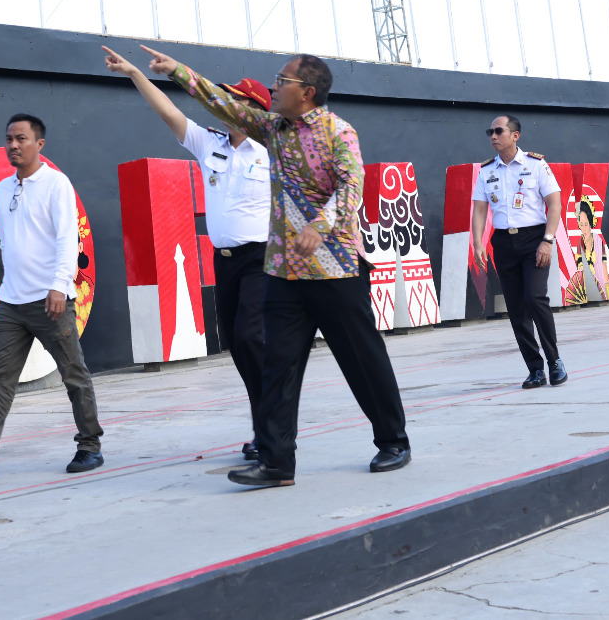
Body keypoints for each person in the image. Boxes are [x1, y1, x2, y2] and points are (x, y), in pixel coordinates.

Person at [139, 46, 410, 488]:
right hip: (283, 272)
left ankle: (393, 441)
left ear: (306, 92)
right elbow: (220, 103)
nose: (273, 87)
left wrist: (319, 225)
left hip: (335, 269)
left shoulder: (338, 133)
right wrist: (176, 71)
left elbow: (351, 187)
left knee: (361, 359)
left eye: (281, 81)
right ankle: (277, 461)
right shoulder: (272, 129)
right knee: (277, 367)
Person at [103, 45, 272, 465]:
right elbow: (168, 113)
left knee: (252, 337)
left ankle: (273, 428)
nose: (225, 105)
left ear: (253, 110)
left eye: (235, 99)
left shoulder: (273, 151)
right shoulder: (209, 143)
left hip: (263, 260)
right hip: (225, 261)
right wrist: (135, 75)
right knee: (236, 343)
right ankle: (266, 422)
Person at [0, 114, 104, 481]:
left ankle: (90, 446)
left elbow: (67, 238)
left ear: (39, 144)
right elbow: (11, 244)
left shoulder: (56, 184)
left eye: (22, 139)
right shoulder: (2, 189)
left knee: (74, 375)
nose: (13, 145)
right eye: (9, 139)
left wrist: (60, 286)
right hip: (11, 303)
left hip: (51, 301)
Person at [471, 116, 568, 389]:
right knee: (515, 308)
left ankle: (555, 361)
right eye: (490, 131)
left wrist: (547, 241)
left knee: (535, 299)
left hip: (534, 240)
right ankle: (535, 368)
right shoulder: (487, 170)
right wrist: (478, 243)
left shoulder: (536, 165)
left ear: (515, 136)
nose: (493, 135)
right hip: (503, 243)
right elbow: (480, 209)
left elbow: (555, 204)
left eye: (498, 131)